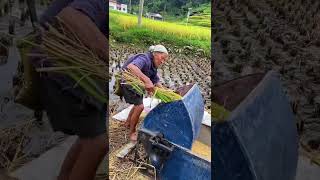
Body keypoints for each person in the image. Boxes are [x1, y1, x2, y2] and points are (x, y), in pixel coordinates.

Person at [30, 0, 107, 180]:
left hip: (77, 66)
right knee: (98, 142)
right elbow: (71, 17)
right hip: (58, 63)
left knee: (91, 136)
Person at [121, 45, 169, 141]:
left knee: (137, 103)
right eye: (162, 58)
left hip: (136, 85)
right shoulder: (145, 58)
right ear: (155, 54)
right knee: (140, 106)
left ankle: (127, 123)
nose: (162, 61)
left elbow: (155, 80)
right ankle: (132, 132)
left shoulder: (153, 66)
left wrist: (165, 91)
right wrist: (146, 80)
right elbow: (131, 66)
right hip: (128, 82)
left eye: (164, 60)